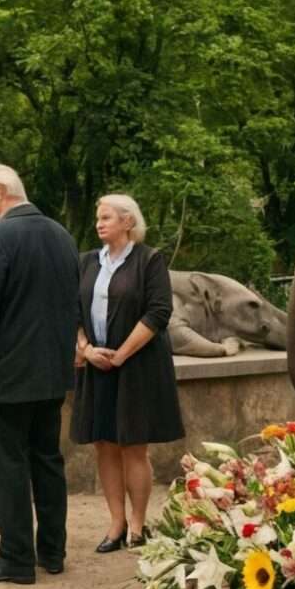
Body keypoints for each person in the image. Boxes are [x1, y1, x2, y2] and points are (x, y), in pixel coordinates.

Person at [0, 164, 79, 584]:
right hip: (51, 375)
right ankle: (53, 552)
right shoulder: (62, 236)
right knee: (47, 461)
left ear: (1, 190)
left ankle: (15, 558)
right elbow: (71, 305)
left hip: (5, 378)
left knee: (8, 466)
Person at [71, 194, 185, 551]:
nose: (99, 223)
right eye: (97, 218)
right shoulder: (87, 261)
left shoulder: (149, 260)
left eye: (106, 217)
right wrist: (87, 350)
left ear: (128, 222)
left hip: (137, 367)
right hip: (96, 366)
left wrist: (120, 355)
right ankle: (116, 524)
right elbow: (73, 311)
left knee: (133, 447)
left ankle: (138, 523)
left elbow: (158, 312)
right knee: (104, 445)